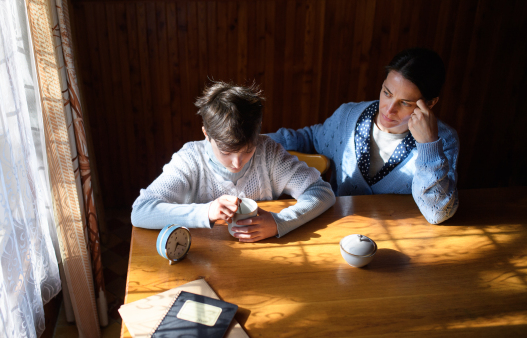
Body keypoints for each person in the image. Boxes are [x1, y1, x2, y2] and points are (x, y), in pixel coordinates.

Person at [268, 48, 459, 224]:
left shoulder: (444, 140)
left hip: (399, 241)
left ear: (430, 103)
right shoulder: (348, 116)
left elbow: (437, 213)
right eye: (387, 92)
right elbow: (310, 138)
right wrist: (253, 141)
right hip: (337, 228)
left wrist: (428, 145)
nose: (389, 109)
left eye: (405, 103)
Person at [131, 82, 335, 242]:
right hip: (204, 258)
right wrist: (206, 211)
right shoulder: (191, 159)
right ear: (206, 134)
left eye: (247, 151)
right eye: (226, 152)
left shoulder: (268, 152)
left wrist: (279, 222)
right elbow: (141, 211)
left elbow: (322, 192)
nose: (237, 163)